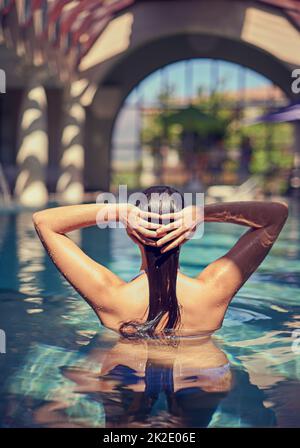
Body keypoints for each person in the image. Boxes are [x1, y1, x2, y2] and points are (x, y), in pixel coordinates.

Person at [32, 185, 288, 338]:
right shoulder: (213, 291)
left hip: (128, 379)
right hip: (200, 379)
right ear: (186, 235)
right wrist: (203, 213)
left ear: (132, 234)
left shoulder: (110, 296)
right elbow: (277, 215)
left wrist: (119, 211)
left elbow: (45, 222)